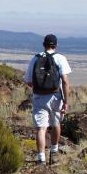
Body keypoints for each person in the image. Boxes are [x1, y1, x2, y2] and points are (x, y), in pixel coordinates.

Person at [25, 34, 71, 165]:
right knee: (56, 124)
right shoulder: (60, 58)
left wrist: (41, 86)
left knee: (41, 128)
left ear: (44, 44)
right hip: (56, 97)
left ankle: (41, 159)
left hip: (39, 97)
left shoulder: (35, 58)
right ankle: (54, 153)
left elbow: (28, 81)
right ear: (56, 45)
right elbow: (66, 81)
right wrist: (66, 102)